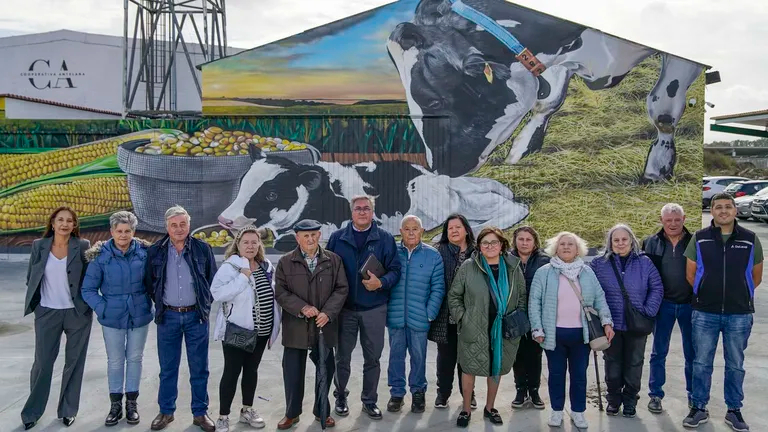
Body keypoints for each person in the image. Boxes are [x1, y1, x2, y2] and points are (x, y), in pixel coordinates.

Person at [682, 193, 763, 431]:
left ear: (735, 210)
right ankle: (698, 408)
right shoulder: (699, 238)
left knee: (735, 363)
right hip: (705, 312)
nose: (723, 211)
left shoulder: (750, 239)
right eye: (718, 207)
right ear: (712, 211)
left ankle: (734, 410)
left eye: (728, 206)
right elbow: (691, 274)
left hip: (739, 313)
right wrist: (705, 292)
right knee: (701, 363)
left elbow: (756, 276)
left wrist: (739, 294)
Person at [529, 231, 614, 429]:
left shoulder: (587, 272)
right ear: (555, 248)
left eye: (570, 244)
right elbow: (534, 302)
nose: (566, 247)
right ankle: (557, 411)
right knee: (556, 375)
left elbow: (600, 298)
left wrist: (607, 322)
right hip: (553, 334)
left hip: (582, 335)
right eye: (562, 244)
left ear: (578, 249)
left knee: (579, 376)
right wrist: (537, 328)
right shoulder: (544, 272)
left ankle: (578, 412)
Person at [328, 195, 402, 420]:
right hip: (345, 310)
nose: (362, 212)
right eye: (358, 209)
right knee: (342, 357)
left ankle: (369, 401)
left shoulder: (385, 239)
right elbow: (327, 269)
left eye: (366, 209)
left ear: (373, 212)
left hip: (374, 309)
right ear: (351, 213)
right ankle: (340, 395)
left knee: (373, 358)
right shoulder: (337, 238)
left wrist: (381, 282)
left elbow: (395, 270)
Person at [145, 206, 218, 432]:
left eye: (183, 224)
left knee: (199, 368)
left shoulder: (202, 248)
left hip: (196, 316)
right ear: (167, 227)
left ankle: (200, 413)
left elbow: (211, 281)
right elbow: (149, 283)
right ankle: (166, 411)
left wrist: (203, 307)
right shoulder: (156, 250)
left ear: (189, 224)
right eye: (174, 225)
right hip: (168, 317)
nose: (179, 229)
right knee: (168, 368)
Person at [448, 227, 527, 427]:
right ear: (479, 246)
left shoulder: (512, 267)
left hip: (503, 328)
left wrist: (518, 318)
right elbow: (454, 296)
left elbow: (522, 297)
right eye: (485, 243)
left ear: (501, 245)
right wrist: (463, 318)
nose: (490, 246)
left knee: (496, 368)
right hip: (473, 327)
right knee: (468, 368)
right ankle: (466, 409)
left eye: (494, 242)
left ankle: (490, 407)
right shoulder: (468, 267)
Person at [21, 206, 92, 430]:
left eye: (69, 221)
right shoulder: (38, 246)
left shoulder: (82, 246)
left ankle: (68, 410)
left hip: (77, 313)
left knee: (74, 363)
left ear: (74, 226)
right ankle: (32, 412)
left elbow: (89, 279)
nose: (64, 224)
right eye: (60, 220)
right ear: (52, 223)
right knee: (42, 364)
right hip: (47, 313)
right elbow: (31, 278)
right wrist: (39, 308)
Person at [274, 219, 349, 430]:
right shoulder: (285, 261)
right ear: (297, 237)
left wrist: (328, 312)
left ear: (320, 236)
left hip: (323, 326)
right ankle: (292, 414)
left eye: (314, 234)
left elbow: (341, 289)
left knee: (325, 369)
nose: (310, 239)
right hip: (296, 327)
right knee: (292, 372)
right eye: (305, 235)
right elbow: (280, 292)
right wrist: (301, 307)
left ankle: (322, 411)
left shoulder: (334, 261)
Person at [81, 211, 153, 427]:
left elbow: (155, 281)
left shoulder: (144, 253)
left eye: (127, 231)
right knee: (115, 361)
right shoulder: (100, 256)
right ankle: (115, 405)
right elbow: (88, 289)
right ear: (112, 232)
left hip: (139, 314)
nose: (123, 235)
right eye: (119, 231)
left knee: (134, 358)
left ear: (134, 232)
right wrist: (104, 308)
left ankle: (132, 403)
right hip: (112, 316)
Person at [210, 225, 281, 432]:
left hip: (262, 331)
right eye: (245, 242)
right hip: (238, 331)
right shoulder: (230, 267)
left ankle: (247, 410)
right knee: (231, 373)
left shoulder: (266, 265)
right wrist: (242, 277)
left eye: (254, 242)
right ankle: (223, 416)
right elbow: (217, 293)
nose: (250, 246)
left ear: (259, 243)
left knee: (252, 371)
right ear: (238, 245)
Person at [590, 223, 663, 418]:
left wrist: (648, 311)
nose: (620, 243)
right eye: (616, 240)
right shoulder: (599, 264)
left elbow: (656, 287)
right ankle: (613, 400)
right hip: (610, 325)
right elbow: (591, 292)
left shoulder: (645, 262)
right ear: (610, 243)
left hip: (636, 324)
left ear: (632, 241)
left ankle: (630, 400)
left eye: (624, 239)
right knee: (612, 364)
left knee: (634, 364)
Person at [386, 215, 445, 414]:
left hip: (420, 317)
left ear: (422, 231)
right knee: (396, 356)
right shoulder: (391, 251)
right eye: (407, 229)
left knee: (418, 357)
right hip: (395, 316)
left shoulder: (432, 255)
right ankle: (397, 394)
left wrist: (430, 313)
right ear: (400, 231)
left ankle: (418, 392)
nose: (411, 232)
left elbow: (438, 287)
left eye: (415, 229)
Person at [642, 203, 695, 414]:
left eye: (676, 219)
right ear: (661, 220)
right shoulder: (650, 243)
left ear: (684, 218)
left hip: (690, 305)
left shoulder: (696, 242)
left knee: (692, 354)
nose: (672, 224)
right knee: (658, 352)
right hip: (662, 306)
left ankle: (694, 396)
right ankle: (655, 394)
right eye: (668, 220)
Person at [429, 214, 477, 410]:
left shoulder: (477, 252)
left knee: (467, 357)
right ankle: (443, 393)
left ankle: (469, 393)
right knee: (445, 357)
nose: (454, 231)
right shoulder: (439, 251)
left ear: (466, 229)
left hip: (470, 315)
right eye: (450, 228)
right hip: (445, 314)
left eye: (458, 227)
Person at [510, 226, 550, 410]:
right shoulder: (507, 259)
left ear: (535, 242)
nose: (524, 243)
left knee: (534, 355)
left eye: (528, 239)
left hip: (537, 316)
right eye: (521, 239)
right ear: (515, 241)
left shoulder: (544, 261)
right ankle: (520, 390)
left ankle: (534, 390)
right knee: (517, 355)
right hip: (514, 316)